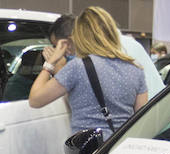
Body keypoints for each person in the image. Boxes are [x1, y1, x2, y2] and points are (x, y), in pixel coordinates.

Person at [29, 7, 147, 138]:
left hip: (88, 153)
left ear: (80, 36)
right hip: (120, 149)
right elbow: (142, 120)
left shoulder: (78, 67)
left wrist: (50, 63)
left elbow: (35, 100)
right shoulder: (136, 69)